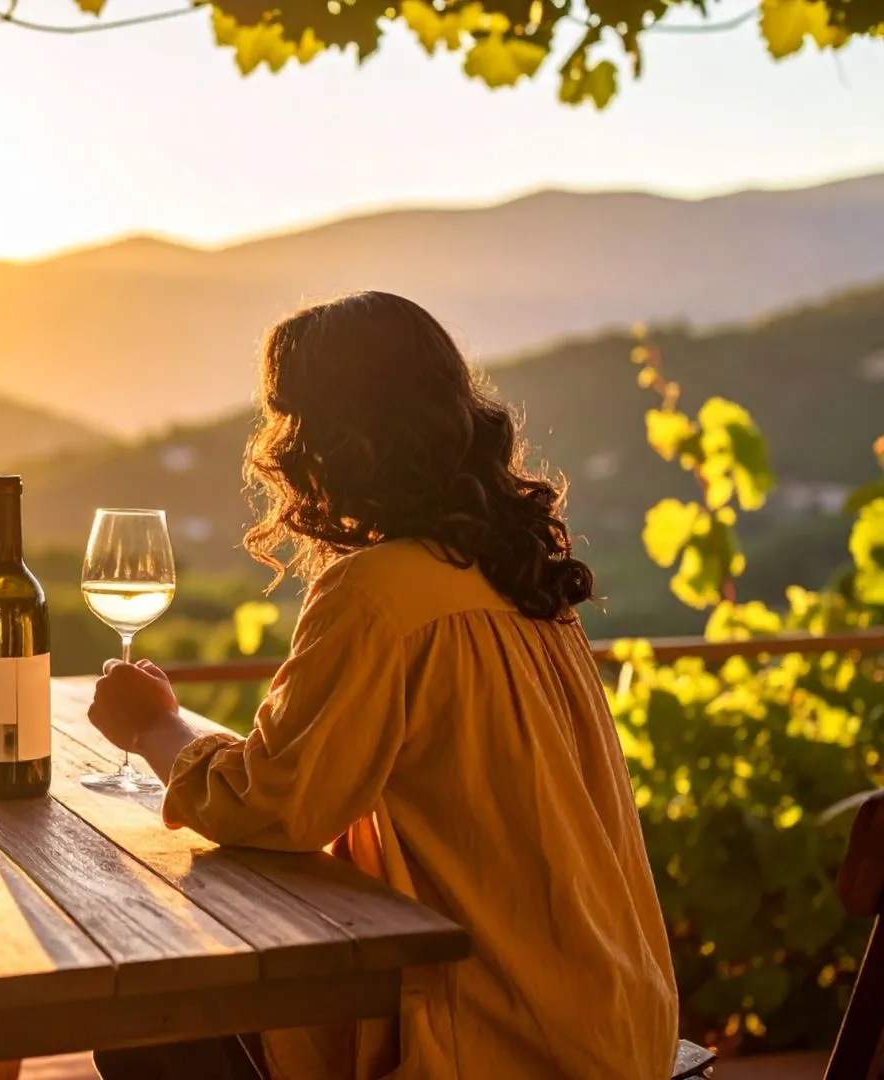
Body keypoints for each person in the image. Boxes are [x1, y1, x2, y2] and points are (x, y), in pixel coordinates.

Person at [86, 292, 679, 1080]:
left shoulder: (376, 592)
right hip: (616, 1020)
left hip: (498, 1033)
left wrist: (155, 728)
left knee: (147, 1022)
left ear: (322, 439)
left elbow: (278, 803)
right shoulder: (519, 576)